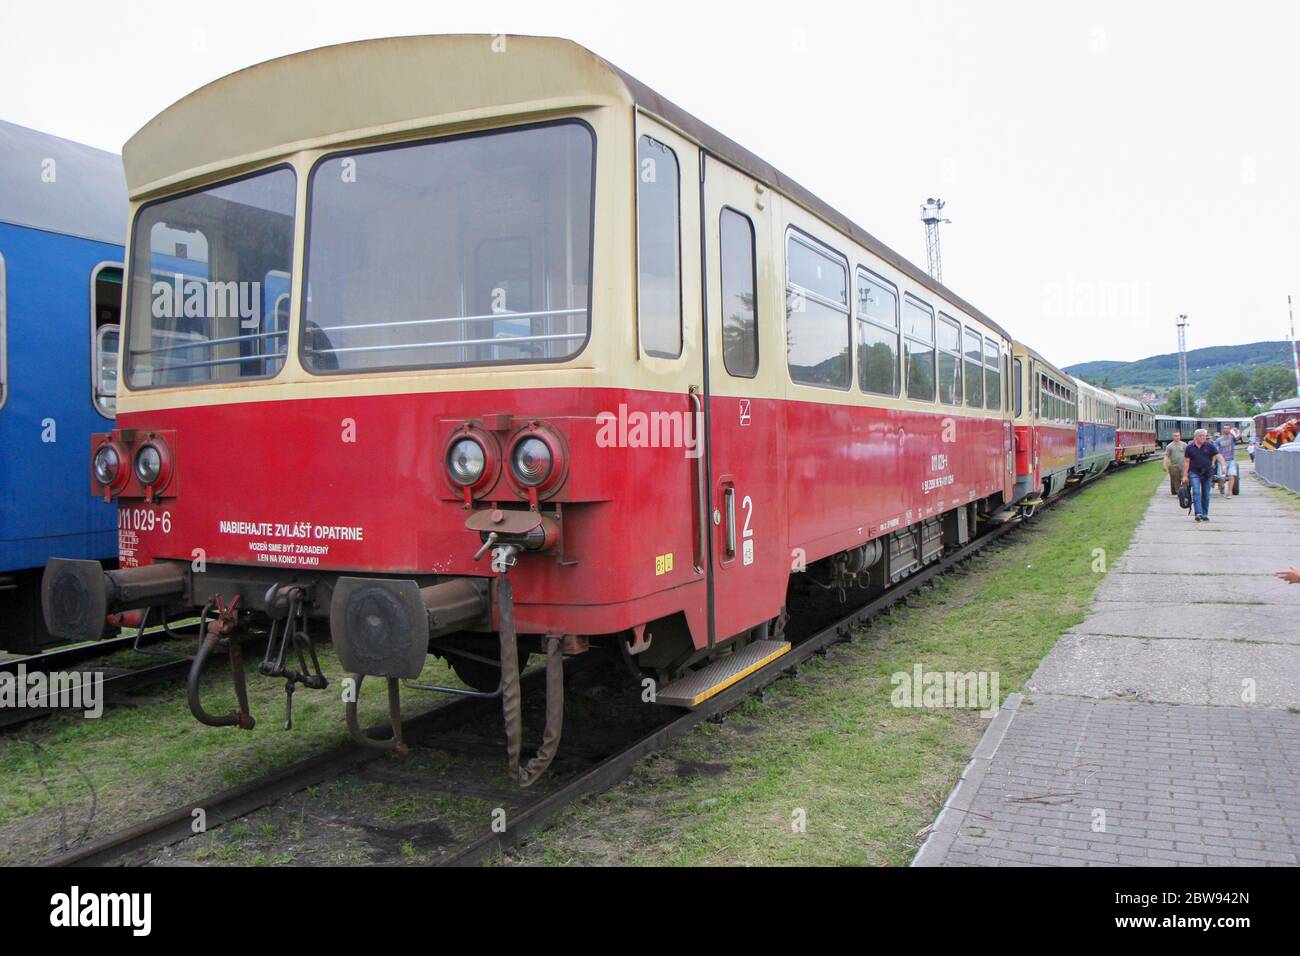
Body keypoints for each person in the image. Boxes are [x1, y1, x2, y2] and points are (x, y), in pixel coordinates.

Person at [1181, 428, 1224, 522]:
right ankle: (1198, 513)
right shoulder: (1189, 447)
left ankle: (1205, 514)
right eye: (1200, 436)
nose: (1203, 437)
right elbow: (1186, 462)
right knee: (1196, 492)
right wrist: (1185, 475)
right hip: (1194, 472)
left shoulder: (1210, 446)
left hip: (1207, 473)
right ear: (1196, 437)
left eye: (1204, 436)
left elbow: (1218, 455)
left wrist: (1223, 465)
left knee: (1206, 493)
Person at [1214, 425, 1239, 496]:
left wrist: (1236, 431)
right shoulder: (1219, 440)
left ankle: (1230, 491)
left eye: (1228, 428)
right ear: (1223, 429)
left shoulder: (1232, 437)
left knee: (1232, 475)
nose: (1226, 429)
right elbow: (1215, 452)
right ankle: (1221, 487)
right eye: (1225, 428)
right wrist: (1213, 462)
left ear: (1230, 429)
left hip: (1231, 460)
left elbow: (1238, 437)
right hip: (1222, 461)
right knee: (1221, 477)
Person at [1163, 430, 1186, 495]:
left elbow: (1189, 455)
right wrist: (1165, 465)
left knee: (1185, 479)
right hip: (1174, 466)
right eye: (1175, 436)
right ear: (1173, 437)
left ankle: (1185, 492)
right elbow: (1166, 456)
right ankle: (1178, 492)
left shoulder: (1184, 445)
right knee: (1176, 480)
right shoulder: (1170, 446)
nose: (1177, 437)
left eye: (1178, 436)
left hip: (1183, 465)